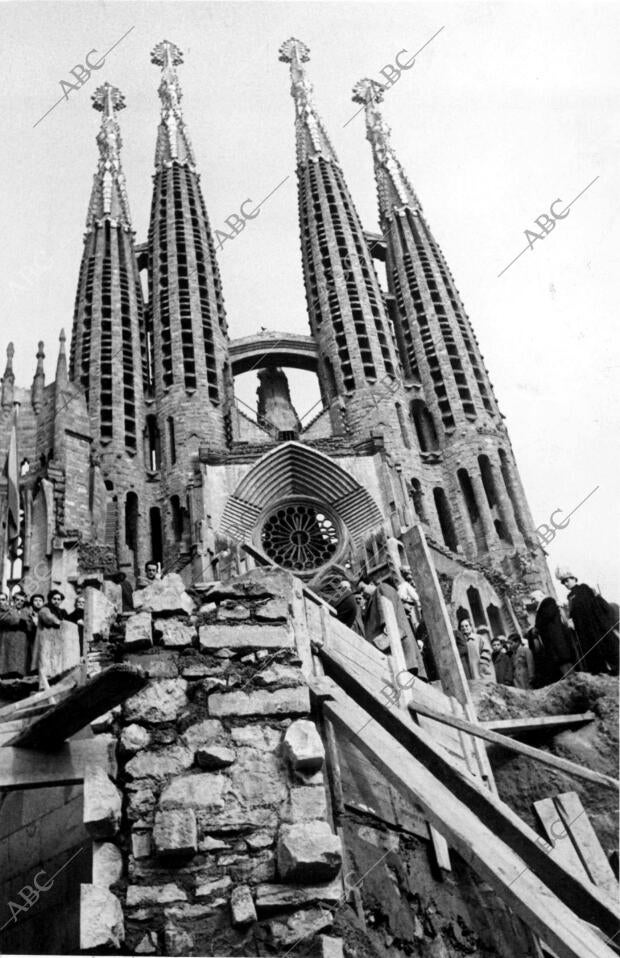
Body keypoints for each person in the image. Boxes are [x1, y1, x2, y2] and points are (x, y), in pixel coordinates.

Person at [357, 575, 426, 678]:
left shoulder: (381, 589)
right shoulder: (373, 598)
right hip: (397, 653)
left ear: (371, 584)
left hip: (397, 652)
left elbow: (387, 616)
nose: (362, 593)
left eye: (363, 589)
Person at [556, 568, 619, 675]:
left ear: (574, 578)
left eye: (567, 580)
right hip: (584, 631)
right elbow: (573, 614)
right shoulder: (570, 597)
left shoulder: (584, 588)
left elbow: (597, 605)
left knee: (606, 649)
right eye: (563, 582)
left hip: (595, 626)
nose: (566, 584)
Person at [34, 590, 79, 688]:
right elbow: (50, 620)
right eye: (54, 599)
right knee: (44, 663)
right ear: (50, 599)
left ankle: (54, 685)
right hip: (45, 640)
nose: (56, 601)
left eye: (59, 599)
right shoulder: (44, 609)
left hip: (56, 640)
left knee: (55, 663)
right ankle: (43, 686)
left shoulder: (60, 611)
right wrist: (61, 622)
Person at [534, 591, 579, 683]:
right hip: (554, 642)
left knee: (564, 662)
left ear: (540, 596)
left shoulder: (548, 602)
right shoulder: (544, 605)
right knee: (562, 663)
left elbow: (546, 617)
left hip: (556, 640)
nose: (533, 601)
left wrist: (537, 625)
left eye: (534, 598)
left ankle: (574, 682)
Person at [0, 591, 30, 678]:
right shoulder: (7, 610)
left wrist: (26, 624)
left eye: (22, 601)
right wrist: (19, 621)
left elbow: (30, 624)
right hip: (8, 640)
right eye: (17, 600)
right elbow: (3, 619)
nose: (19, 602)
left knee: (20, 665)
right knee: (8, 664)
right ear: (13, 600)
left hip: (22, 641)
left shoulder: (26, 613)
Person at [461, 618, 496, 683]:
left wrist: (483, 663)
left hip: (480, 670)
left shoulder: (479, 638)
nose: (464, 628)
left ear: (471, 627)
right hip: (468, 674)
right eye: (462, 626)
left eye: (466, 625)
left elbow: (487, 650)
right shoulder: (461, 643)